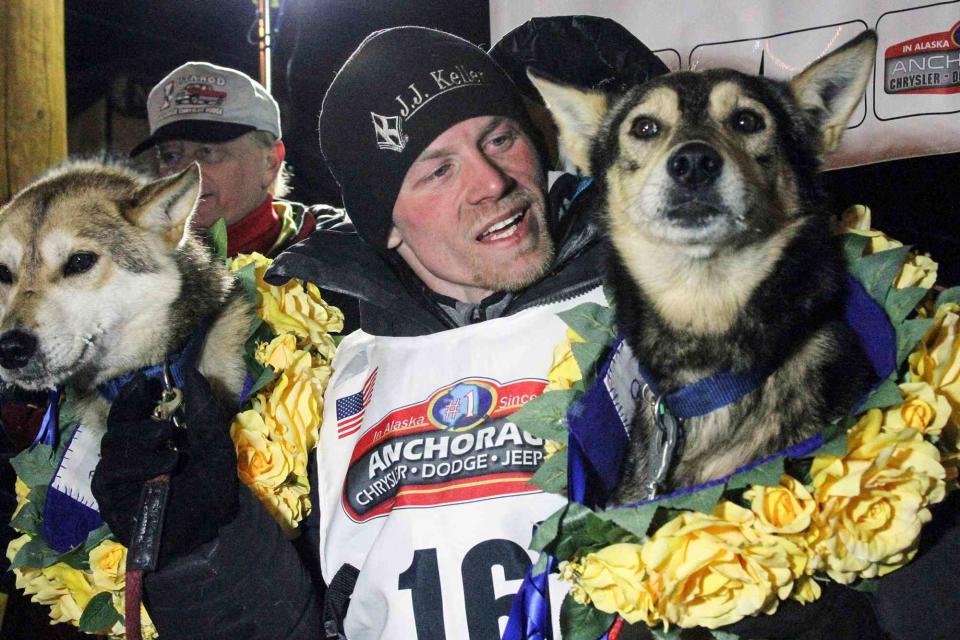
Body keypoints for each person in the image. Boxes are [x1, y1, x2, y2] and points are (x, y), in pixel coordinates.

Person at [90, 21, 959, 640]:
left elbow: (884, 534)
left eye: (500, 138)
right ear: (385, 220)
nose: (494, 183)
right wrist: (199, 540)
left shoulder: (675, 305)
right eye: (436, 167)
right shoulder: (312, 360)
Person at [130, 61, 316, 257]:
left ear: (270, 162)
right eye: (171, 156)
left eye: (207, 151)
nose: (184, 173)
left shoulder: (335, 257)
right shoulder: (131, 268)